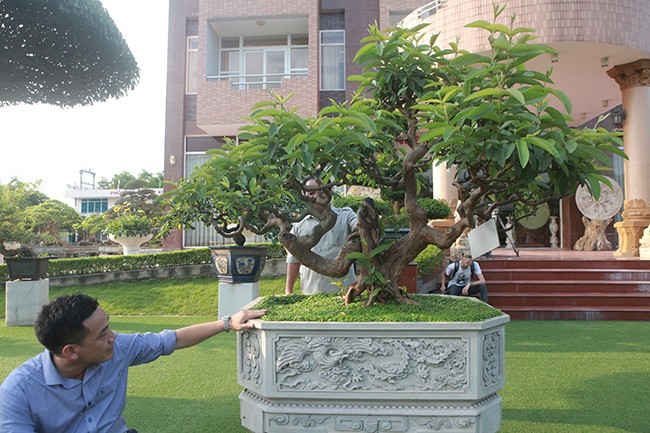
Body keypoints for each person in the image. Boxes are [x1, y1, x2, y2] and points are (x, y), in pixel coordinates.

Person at [0, 294, 265, 433]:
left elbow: (171, 340)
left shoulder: (119, 348)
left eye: (109, 327)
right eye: (103, 333)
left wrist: (227, 323)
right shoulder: (18, 391)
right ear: (71, 351)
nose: (113, 337)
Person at [285, 177, 357, 295]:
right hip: (311, 292)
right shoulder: (299, 225)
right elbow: (293, 260)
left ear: (330, 193)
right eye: (311, 192)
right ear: (305, 195)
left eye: (322, 191)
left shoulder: (346, 215)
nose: (316, 197)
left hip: (345, 292)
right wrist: (288, 290)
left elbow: (359, 227)